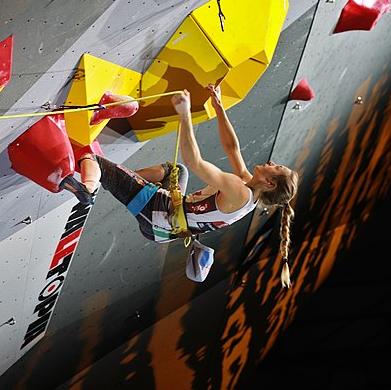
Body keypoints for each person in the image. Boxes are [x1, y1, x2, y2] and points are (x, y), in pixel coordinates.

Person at [60, 85, 299, 287]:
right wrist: (218, 106)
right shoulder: (248, 191)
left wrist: (184, 113)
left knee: (93, 159)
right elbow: (232, 148)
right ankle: (118, 180)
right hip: (168, 227)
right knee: (176, 172)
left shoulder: (239, 191)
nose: (273, 163)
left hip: (159, 214)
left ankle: (89, 187)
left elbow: (194, 160)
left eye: (278, 168)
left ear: (270, 183)